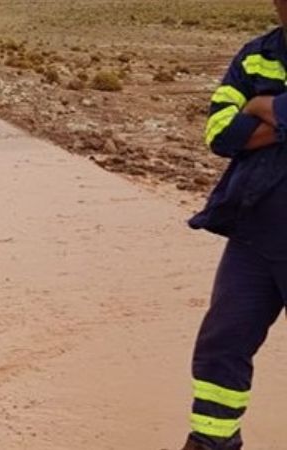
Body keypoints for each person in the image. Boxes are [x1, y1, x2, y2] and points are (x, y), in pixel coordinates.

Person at [184, 1, 287, 449]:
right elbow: (220, 135)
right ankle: (212, 442)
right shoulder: (255, 54)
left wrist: (266, 106)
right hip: (255, 235)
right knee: (221, 346)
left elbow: (242, 125)